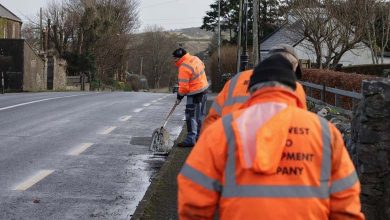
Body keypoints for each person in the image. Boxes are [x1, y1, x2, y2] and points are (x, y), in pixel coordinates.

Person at [177, 54, 364, 219]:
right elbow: (346, 205)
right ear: (294, 88)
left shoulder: (223, 130)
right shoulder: (325, 132)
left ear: (252, 89)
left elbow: (194, 196)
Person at [201, 44, 306, 133]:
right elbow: (301, 126)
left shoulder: (236, 80)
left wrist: (213, 147)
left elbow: (212, 119)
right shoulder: (296, 87)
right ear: (293, 65)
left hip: (230, 144)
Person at [173, 48, 209, 147]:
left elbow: (183, 88)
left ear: (179, 58)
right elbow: (203, 67)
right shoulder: (195, 58)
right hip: (204, 90)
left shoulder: (183, 67)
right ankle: (199, 138)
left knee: (191, 116)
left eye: (175, 59)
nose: (174, 61)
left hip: (194, 93)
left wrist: (179, 97)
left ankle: (191, 140)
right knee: (200, 116)